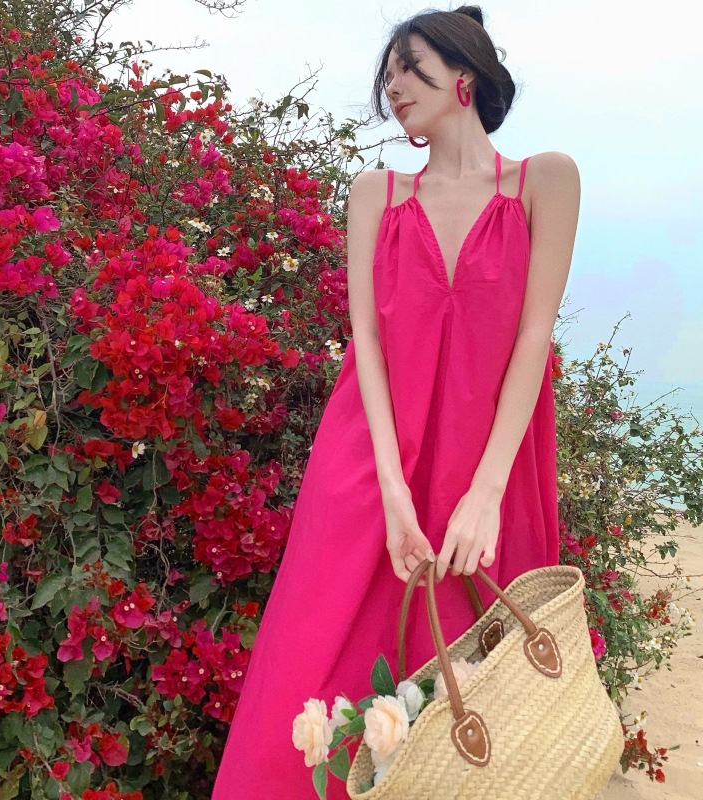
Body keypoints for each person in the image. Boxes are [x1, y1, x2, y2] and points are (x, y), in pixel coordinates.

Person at [211, 5, 580, 799]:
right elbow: (367, 345)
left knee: (480, 696)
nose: (393, 86)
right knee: (312, 673)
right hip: (372, 461)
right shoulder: (374, 194)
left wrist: (484, 495)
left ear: (464, 75)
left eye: (409, 66)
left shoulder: (545, 180)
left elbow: (533, 339)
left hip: (489, 468)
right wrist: (390, 489)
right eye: (388, 73)